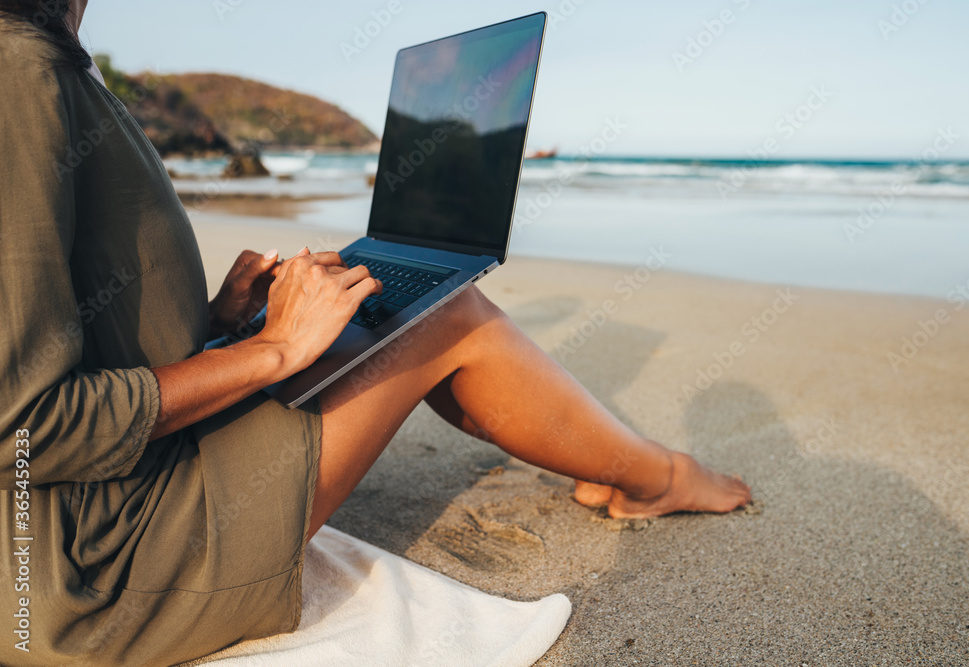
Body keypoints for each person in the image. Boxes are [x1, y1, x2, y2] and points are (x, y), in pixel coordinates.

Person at [0, 1, 751, 665]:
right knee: (447, 315)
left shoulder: (49, 56)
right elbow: (24, 428)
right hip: (87, 567)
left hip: (110, 494)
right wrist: (272, 350)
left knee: (388, 307)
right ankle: (657, 477)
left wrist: (222, 319)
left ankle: (619, 462)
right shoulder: (17, 68)